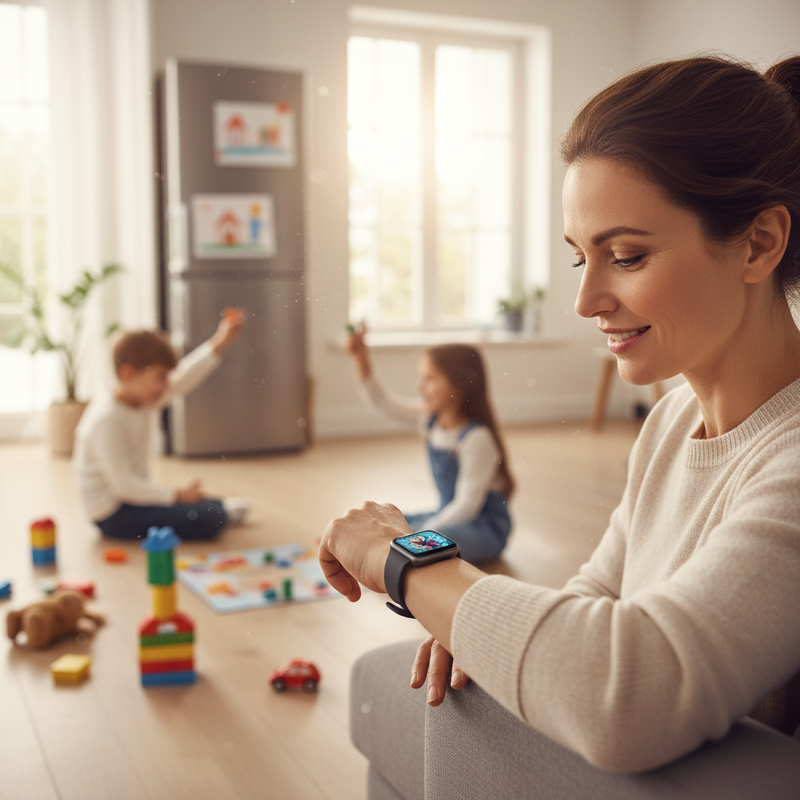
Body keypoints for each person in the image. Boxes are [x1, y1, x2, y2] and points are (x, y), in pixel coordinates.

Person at [320, 54, 800, 773]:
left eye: (628, 256)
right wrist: (483, 630)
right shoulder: (670, 424)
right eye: (582, 258)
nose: (587, 301)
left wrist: (407, 562)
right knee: (443, 690)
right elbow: (597, 592)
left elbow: (628, 697)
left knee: (446, 714)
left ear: (759, 243)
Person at [73, 309, 248, 541]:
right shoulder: (107, 419)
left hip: (131, 499)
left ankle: (218, 509)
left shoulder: (141, 399)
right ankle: (219, 513)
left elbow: (184, 377)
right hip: (113, 513)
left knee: (208, 505)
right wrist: (176, 494)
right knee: (209, 517)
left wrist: (220, 342)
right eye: (161, 377)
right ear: (128, 373)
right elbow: (123, 485)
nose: (167, 385)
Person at [345, 325, 514, 564]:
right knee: (389, 521)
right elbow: (382, 403)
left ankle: (384, 557)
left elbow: (467, 507)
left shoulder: (477, 438)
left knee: (423, 540)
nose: (420, 386)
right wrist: (360, 358)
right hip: (446, 515)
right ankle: (364, 548)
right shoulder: (430, 420)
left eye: (430, 379)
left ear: (460, 384)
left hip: (482, 529)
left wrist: (421, 533)